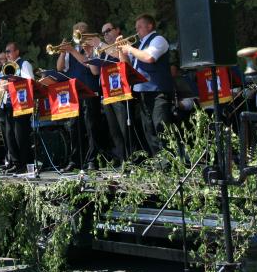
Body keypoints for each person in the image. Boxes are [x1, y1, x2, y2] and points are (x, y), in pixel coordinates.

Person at [120, 14, 175, 156]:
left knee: (161, 127)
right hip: (143, 92)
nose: (136, 30)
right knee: (149, 129)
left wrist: (129, 48)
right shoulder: (140, 46)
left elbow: (149, 57)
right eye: (136, 27)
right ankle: (159, 162)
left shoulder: (158, 39)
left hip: (158, 91)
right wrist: (121, 50)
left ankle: (170, 161)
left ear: (150, 26)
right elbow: (126, 65)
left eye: (139, 27)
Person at [57, 21, 107, 171]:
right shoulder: (70, 50)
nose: (79, 35)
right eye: (76, 33)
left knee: (91, 125)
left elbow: (90, 66)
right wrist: (62, 52)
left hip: (90, 90)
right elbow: (59, 68)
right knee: (74, 126)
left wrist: (72, 51)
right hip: (74, 92)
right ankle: (75, 160)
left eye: (82, 32)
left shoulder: (92, 47)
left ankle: (92, 160)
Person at [89, 21, 130, 162]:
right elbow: (95, 71)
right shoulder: (103, 50)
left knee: (124, 127)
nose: (105, 34)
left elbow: (122, 60)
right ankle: (122, 159)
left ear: (117, 30)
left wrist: (100, 44)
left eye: (108, 30)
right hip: (107, 92)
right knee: (114, 129)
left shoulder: (123, 43)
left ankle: (131, 158)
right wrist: (90, 53)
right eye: (103, 33)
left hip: (120, 91)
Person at [0, 42, 35, 172]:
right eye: (6, 52)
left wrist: (11, 85)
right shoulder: (7, 66)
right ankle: (16, 163)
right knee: (10, 136)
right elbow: (4, 84)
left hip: (21, 105)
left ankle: (25, 164)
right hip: (8, 105)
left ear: (17, 52)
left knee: (21, 136)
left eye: (9, 51)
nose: (7, 54)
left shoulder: (24, 64)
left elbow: (30, 82)